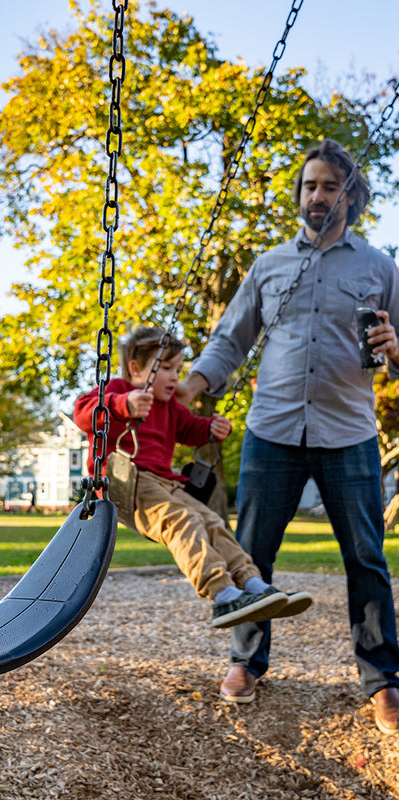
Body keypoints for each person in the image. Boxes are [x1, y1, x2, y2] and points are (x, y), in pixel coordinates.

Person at [177, 138, 399, 734]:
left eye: (330, 185)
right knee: (253, 555)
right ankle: (247, 663)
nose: (317, 195)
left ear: (351, 195)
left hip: (349, 432)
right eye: (309, 186)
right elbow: (230, 339)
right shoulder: (270, 264)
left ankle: (382, 681)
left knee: (367, 560)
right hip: (271, 429)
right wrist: (190, 387)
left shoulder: (379, 267)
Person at [74, 326, 312, 629]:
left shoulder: (169, 406)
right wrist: (125, 405)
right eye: (166, 368)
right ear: (136, 369)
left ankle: (253, 585)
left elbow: (189, 429)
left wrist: (211, 429)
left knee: (212, 522)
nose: (176, 377)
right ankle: (222, 593)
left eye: (178, 369)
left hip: (166, 483)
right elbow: (83, 412)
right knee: (182, 520)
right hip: (128, 483)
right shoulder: (118, 388)